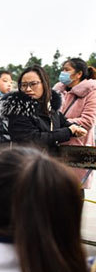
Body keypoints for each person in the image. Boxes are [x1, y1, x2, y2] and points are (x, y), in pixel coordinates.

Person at [1, 65, 87, 151]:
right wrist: (68, 131)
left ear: (44, 84)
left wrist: (76, 128)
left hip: (47, 161)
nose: (28, 89)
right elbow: (34, 139)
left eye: (33, 84)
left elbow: (63, 122)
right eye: (24, 85)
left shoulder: (51, 108)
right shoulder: (18, 110)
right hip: (26, 161)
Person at [54, 58, 96, 192]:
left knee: (73, 193)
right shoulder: (57, 91)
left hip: (76, 149)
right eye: (62, 69)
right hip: (55, 147)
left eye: (67, 70)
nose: (63, 73)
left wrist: (61, 124)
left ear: (78, 74)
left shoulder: (91, 92)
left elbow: (87, 120)